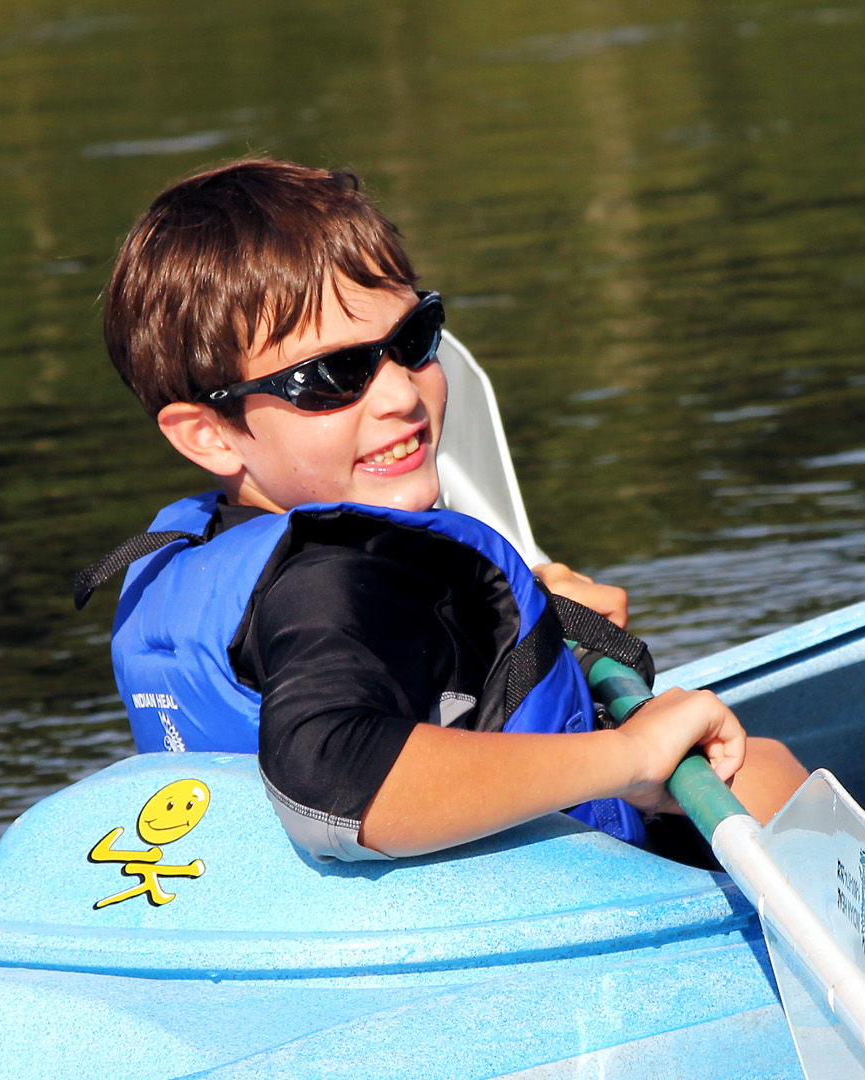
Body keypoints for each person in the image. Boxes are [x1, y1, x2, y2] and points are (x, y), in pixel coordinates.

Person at [85, 158, 808, 861]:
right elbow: (335, 773)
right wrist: (629, 756)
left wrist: (517, 629)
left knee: (763, 764)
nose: (400, 395)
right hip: (538, 919)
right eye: (331, 376)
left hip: (359, 918)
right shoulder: (333, 581)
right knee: (767, 778)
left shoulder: (220, 549)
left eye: (412, 340)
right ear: (207, 434)